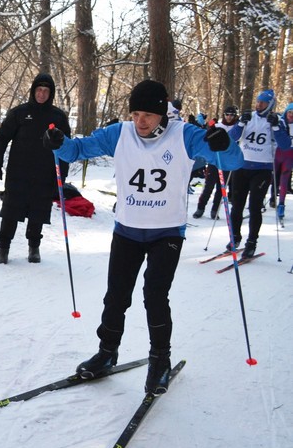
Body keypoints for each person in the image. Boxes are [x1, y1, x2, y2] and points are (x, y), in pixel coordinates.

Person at [43, 80, 244, 394]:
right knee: (116, 296)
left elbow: (232, 162)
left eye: (148, 114)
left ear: (162, 113)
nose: (140, 121)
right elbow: (78, 149)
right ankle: (107, 353)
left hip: (167, 232)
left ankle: (160, 361)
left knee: (154, 296)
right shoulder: (120, 133)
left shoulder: (185, 135)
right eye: (135, 113)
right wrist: (58, 142)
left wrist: (224, 144)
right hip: (127, 229)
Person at [0, 72, 71, 264]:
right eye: (38, 90)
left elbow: (66, 147)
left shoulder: (58, 117)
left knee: (38, 211)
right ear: (33, 91)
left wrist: (63, 175)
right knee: (10, 210)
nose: (41, 94)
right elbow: (1, 139)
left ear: (50, 94)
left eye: (45, 91)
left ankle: (34, 247)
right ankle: (3, 248)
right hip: (18, 171)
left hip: (45, 173)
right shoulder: (19, 113)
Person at [227, 90, 291, 257]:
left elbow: (285, 145)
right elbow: (231, 138)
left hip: (262, 169)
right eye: (258, 102)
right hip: (242, 166)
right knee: (237, 205)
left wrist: (276, 126)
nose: (258, 105)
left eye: (262, 103)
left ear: (270, 104)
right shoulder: (249, 117)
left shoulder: (278, 120)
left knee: (255, 207)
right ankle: (235, 237)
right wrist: (240, 123)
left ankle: (251, 242)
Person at [193, 106, 239, 219]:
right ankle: (200, 208)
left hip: (227, 163)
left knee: (221, 188)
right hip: (215, 160)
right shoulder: (218, 125)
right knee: (208, 186)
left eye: (231, 115)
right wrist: (209, 126)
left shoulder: (237, 128)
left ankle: (215, 210)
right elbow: (206, 136)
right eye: (227, 114)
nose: (229, 117)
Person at [273, 103, 293, 221]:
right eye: (290, 112)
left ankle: (281, 204)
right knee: (272, 176)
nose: (291, 115)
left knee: (284, 180)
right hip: (277, 153)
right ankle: (270, 199)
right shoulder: (280, 122)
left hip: (289, 155)